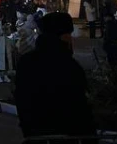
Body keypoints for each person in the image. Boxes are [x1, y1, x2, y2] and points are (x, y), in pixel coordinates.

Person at [15, 12, 95, 140]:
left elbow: (21, 99)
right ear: (64, 36)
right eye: (69, 34)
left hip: (35, 136)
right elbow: (79, 106)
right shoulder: (68, 65)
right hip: (66, 135)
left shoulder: (26, 63)